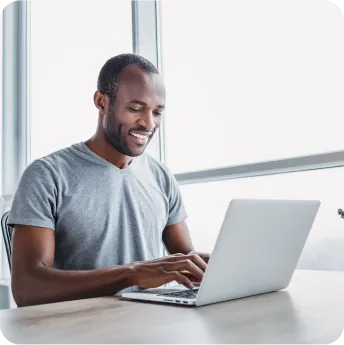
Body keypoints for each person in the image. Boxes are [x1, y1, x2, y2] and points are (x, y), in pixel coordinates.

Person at [8, 53, 210, 307]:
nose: (148, 123)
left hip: (151, 323)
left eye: (157, 112)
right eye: (135, 109)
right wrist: (132, 273)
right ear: (102, 102)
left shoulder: (161, 176)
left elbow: (184, 257)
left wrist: (219, 268)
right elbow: (27, 288)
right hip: (77, 330)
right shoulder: (47, 175)